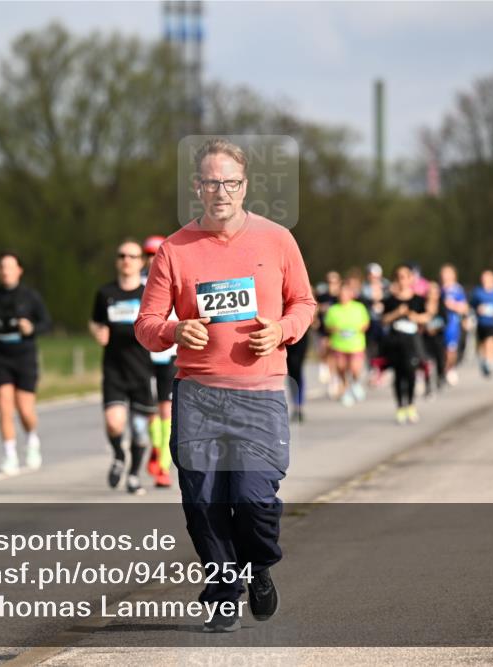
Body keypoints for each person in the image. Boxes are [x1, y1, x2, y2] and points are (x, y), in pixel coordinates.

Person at [135, 138, 316, 633]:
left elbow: (304, 303)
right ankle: (223, 592)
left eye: (230, 182)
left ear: (244, 186)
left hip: (259, 393)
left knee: (256, 499)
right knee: (204, 504)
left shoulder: (277, 239)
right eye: (211, 182)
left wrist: (281, 330)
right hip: (198, 395)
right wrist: (175, 330)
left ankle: (257, 567)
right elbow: (146, 323)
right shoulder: (174, 249)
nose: (221, 191)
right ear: (197, 187)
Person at [90, 238, 156, 495]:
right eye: (121, 256)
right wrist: (99, 332)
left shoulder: (147, 294)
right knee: (114, 424)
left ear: (141, 262)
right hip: (114, 369)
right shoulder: (105, 293)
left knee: (140, 431)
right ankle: (119, 455)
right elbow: (95, 321)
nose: (126, 260)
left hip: (141, 370)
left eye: (131, 256)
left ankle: (133, 474)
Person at [0, 252, 52, 475]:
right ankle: (9, 454)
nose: (5, 272)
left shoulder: (30, 296)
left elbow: (46, 323)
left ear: (19, 270)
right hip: (0, 355)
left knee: (24, 408)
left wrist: (31, 328)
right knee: (3, 404)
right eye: (2, 267)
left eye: (10, 267)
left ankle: (31, 439)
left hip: (25, 356)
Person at [142, 235, 177, 488]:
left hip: (169, 353)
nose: (152, 259)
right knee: (149, 410)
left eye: (156, 254)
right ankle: (156, 446)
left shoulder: (174, 281)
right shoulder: (139, 283)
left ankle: (163, 465)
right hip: (143, 355)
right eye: (149, 254)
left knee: (166, 408)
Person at [382, 265, 430, 424]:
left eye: (405, 277)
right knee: (398, 374)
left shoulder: (417, 299)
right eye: (399, 277)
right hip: (395, 342)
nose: (402, 280)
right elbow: (384, 320)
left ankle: (410, 404)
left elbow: (426, 318)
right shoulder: (390, 299)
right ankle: (400, 407)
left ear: (411, 279)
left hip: (412, 342)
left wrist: (412, 315)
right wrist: (397, 313)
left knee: (410, 373)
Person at [324, 281, 370, 406]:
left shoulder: (359, 307)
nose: (343, 296)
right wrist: (336, 330)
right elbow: (328, 326)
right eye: (341, 293)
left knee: (355, 369)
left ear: (351, 294)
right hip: (339, 344)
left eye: (345, 293)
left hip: (356, 344)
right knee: (341, 369)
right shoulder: (333, 309)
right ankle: (346, 391)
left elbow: (366, 324)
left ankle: (355, 383)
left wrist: (356, 330)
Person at [439, 264, 469, 385]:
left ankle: (450, 369)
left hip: (452, 324)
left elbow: (465, 308)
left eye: (448, 273)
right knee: (441, 349)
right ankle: (442, 370)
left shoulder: (457, 289)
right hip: (440, 323)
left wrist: (452, 305)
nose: (445, 276)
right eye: (443, 273)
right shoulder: (439, 289)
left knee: (451, 349)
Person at [470, 270, 493, 377]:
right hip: (481, 323)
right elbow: (472, 306)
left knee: (491, 342)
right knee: (483, 344)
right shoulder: (477, 292)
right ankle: (485, 360)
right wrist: (477, 309)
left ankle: (490, 363)